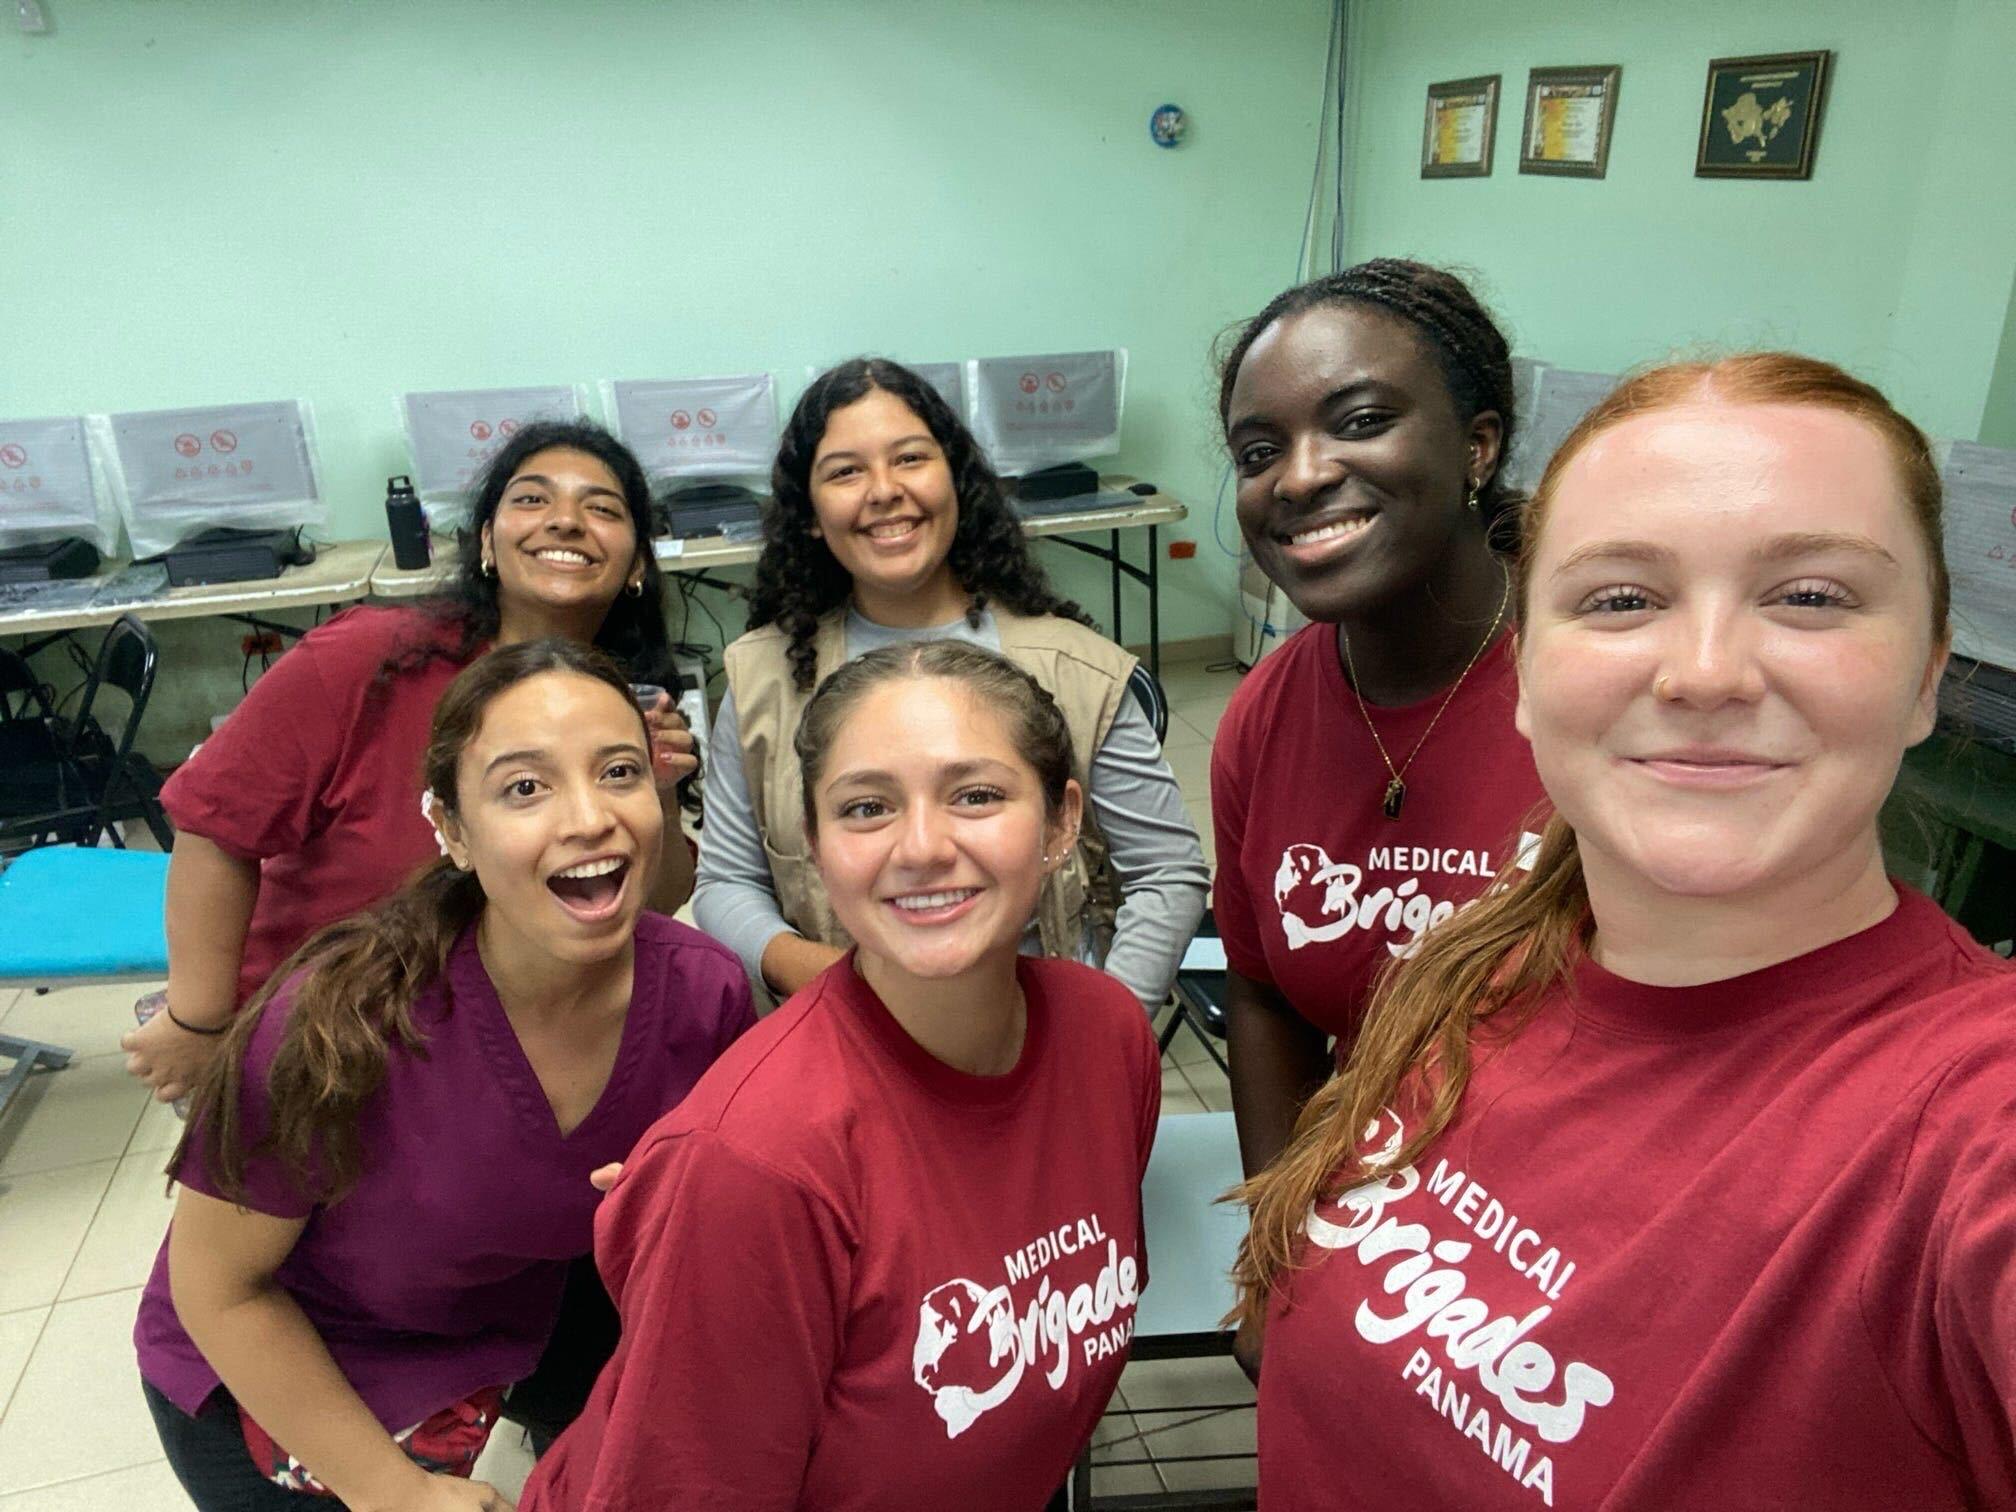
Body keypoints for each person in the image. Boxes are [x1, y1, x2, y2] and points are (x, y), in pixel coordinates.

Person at [1233, 354, 2016, 1509]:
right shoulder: (1475, 965)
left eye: (1810, 595)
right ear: (1525, 676)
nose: (1705, 673)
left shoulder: (1961, 1128)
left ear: (1926, 677)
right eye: (1622, 599)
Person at [522, 642, 1162, 1512]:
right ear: (816, 849)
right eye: (867, 807)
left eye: (976, 795)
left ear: (1059, 824)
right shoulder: (760, 1163)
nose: (924, 847)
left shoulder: (1106, 1035)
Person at [135, 639, 755, 1511]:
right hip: (282, 1370)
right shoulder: (341, 1024)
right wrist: (391, 1490)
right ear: (453, 830)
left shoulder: (704, 991)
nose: (589, 818)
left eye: (619, 773)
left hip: (502, 1311)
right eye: (525, 788)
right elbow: (221, 1289)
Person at [122, 419, 699, 1107]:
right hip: (328, 1042)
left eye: (603, 509)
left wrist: (655, 789)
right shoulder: (370, 658)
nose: (568, 522)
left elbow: (651, 899)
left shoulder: (621, 704)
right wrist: (197, 1021)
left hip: (506, 1047)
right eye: (533, 500)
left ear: (637, 563)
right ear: (486, 541)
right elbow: (217, 827)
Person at [693, 357, 1207, 1011]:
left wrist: (1108, 1026)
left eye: (910, 458)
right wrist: (847, 995)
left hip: (1042, 1034)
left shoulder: (1076, 669)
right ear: (809, 515)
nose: (883, 490)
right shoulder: (761, 678)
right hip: (850, 1039)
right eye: (846, 471)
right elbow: (727, 883)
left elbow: (1167, 873)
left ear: (956, 483)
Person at [1211, 260, 1546, 1180]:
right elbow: (1263, 991)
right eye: (1256, 452)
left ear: (1478, 446)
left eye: (1360, 422)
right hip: (1387, 1219)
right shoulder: (1263, 716)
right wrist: (1276, 1249)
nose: (1299, 477)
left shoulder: (1600, 685)